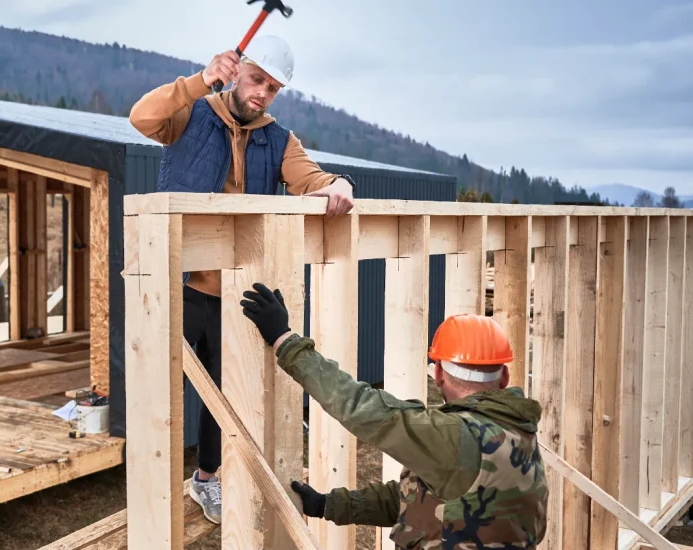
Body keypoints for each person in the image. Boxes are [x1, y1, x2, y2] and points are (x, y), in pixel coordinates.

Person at [129, 34, 356, 524]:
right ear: (236, 72)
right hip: (180, 286)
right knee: (158, 390)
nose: (261, 94)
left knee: (223, 392)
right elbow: (141, 118)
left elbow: (311, 178)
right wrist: (196, 81)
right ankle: (149, 487)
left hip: (234, 292)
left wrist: (340, 184)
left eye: (272, 89)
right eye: (256, 81)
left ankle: (204, 480)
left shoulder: (278, 139)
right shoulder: (191, 113)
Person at [239, 283, 548, 548]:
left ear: (438, 373)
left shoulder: (456, 437)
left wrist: (285, 341)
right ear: (505, 376)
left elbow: (360, 407)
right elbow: (414, 499)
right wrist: (327, 505)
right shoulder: (518, 433)